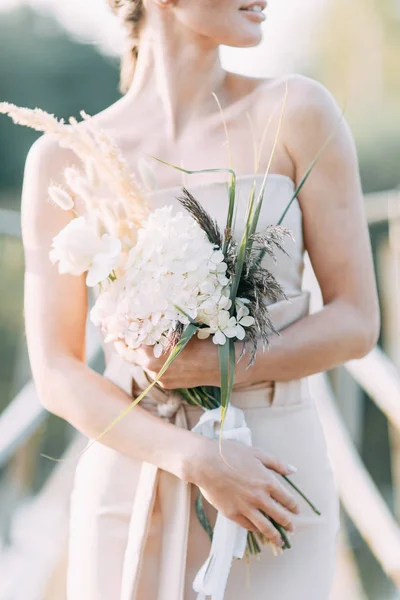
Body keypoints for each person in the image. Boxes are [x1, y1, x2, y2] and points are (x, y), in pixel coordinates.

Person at [21, 0, 380, 598]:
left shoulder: (299, 112)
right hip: (134, 467)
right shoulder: (64, 159)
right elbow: (57, 370)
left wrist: (218, 363)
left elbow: (355, 321)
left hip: (273, 478)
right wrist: (191, 457)